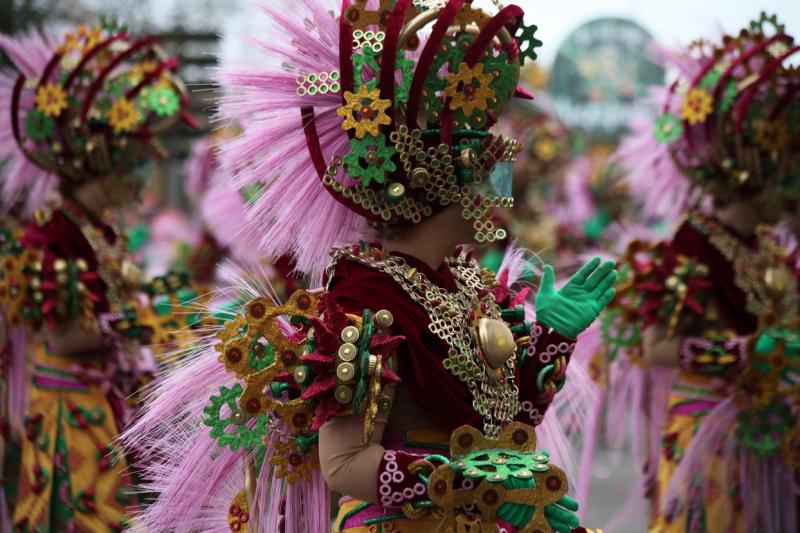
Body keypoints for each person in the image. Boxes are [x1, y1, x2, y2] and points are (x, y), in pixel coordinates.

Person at [127, 1, 617, 532]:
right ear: (440, 182)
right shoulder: (366, 301)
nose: (501, 190)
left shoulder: (467, 286)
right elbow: (343, 465)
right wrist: (478, 486)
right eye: (487, 169)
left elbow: (505, 424)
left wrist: (553, 337)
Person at [604, 14, 800, 532]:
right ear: (754, 171)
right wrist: (741, 353)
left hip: (772, 433)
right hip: (712, 441)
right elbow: (656, 347)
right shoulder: (692, 244)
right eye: (785, 170)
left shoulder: (769, 248)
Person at [0, 21, 194, 530]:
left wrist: (145, 311)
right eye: (134, 154)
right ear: (99, 157)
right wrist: (135, 324)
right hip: (73, 414)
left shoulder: (94, 227)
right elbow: (63, 336)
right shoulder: (54, 233)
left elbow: (108, 306)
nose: (143, 167)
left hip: (106, 400)